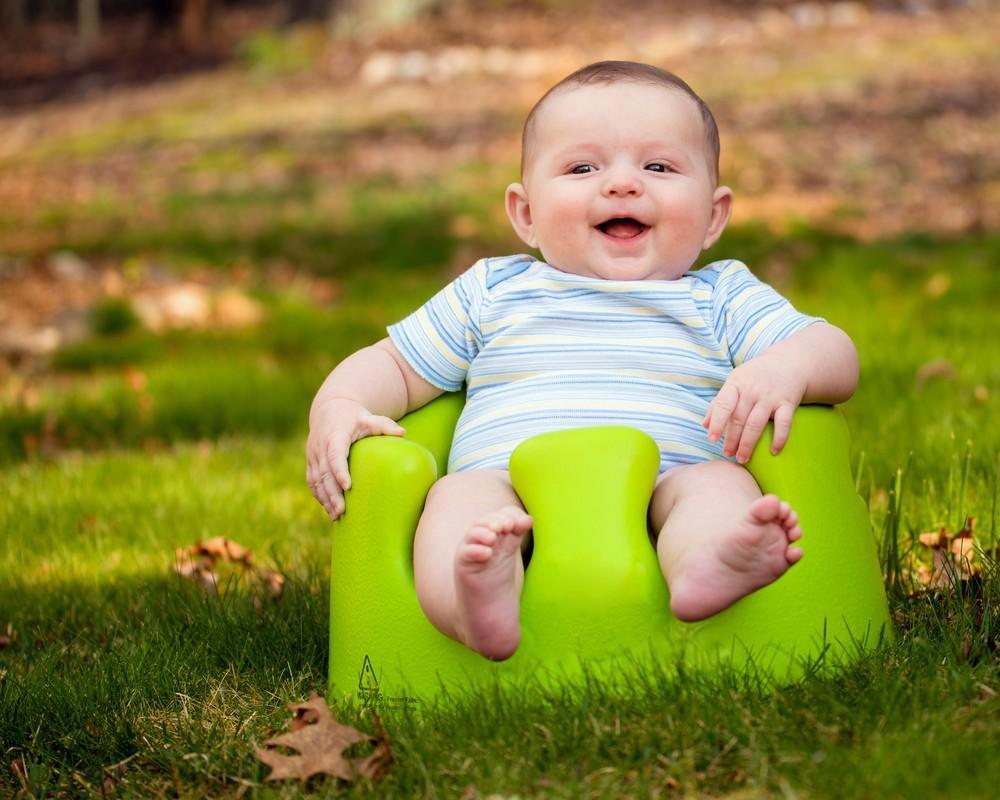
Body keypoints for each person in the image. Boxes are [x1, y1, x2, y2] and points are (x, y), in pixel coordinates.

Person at [306, 61, 859, 661]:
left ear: (713, 215)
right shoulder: (492, 291)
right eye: (582, 168)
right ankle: (475, 600)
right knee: (455, 507)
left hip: (665, 488)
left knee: (718, 488)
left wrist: (784, 367)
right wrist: (339, 404)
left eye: (659, 166)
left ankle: (710, 564)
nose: (622, 185)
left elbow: (835, 352)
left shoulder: (720, 296)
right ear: (525, 214)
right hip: (506, 488)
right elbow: (394, 364)